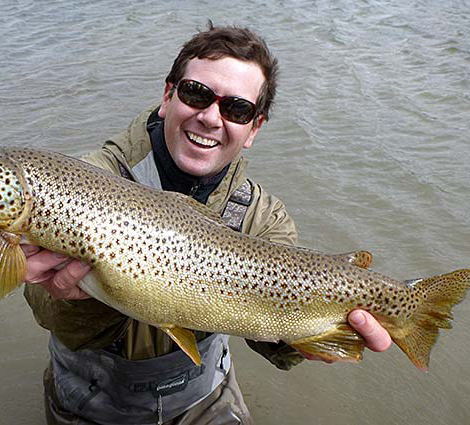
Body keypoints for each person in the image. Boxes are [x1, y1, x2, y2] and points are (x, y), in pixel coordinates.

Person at [22, 23, 391, 425]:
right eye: (196, 94)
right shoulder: (83, 182)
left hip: (204, 399)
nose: (211, 118)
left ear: (254, 128)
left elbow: (272, 338)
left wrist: (310, 342)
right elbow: (44, 309)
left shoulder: (264, 218)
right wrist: (70, 298)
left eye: (236, 109)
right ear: (167, 96)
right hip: (89, 402)